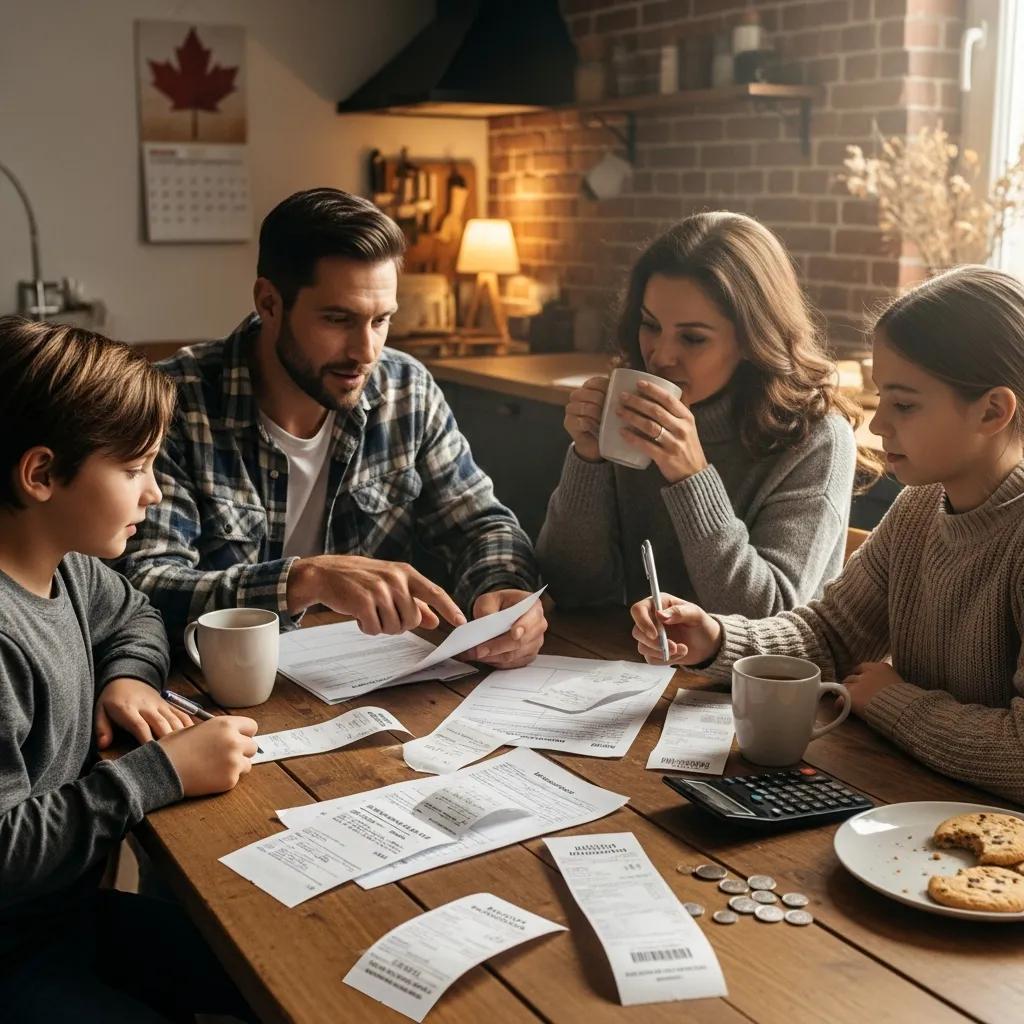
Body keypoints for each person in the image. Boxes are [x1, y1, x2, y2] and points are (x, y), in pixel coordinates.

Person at [630, 265, 1024, 804]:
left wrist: (892, 702)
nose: (878, 424)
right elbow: (832, 637)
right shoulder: (917, 509)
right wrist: (717, 640)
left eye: (904, 404)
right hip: (906, 802)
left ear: (994, 410)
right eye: (880, 396)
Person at [119, 188, 545, 668]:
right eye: (338, 319)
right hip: (218, 690)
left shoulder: (407, 390)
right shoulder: (173, 401)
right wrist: (304, 580)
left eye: (381, 320)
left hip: (375, 686)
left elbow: (479, 525)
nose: (365, 351)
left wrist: (504, 592)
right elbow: (142, 586)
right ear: (270, 302)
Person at [0, 317, 259, 1022]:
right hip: (13, 954)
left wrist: (129, 679)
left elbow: (138, 616)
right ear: (42, 473)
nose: (153, 494)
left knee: (268, 968)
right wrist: (161, 773)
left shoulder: (74, 571)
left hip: (68, 920)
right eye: (135, 467)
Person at [537, 212, 878, 617]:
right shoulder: (626, 412)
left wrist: (692, 478)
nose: (660, 356)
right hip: (627, 667)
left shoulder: (816, 438)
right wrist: (587, 459)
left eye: (693, 337)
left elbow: (768, 620)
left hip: (746, 680)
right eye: (650, 325)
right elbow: (570, 590)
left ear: (753, 339)